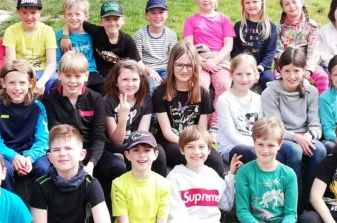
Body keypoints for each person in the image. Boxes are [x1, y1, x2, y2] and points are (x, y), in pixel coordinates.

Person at [42, 50, 123, 205]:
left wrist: (91, 163)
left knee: (117, 166)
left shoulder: (95, 98)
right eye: (68, 75)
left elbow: (99, 137)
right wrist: (76, 163)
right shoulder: (50, 100)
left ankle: (105, 211)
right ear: (59, 75)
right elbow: (56, 136)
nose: (73, 81)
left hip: (91, 151)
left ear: (86, 76)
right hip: (65, 152)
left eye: (78, 76)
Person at [261, 47, 326, 209]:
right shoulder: (270, 93)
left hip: (306, 135)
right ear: (279, 70)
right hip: (281, 137)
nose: (291, 76)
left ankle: (312, 198)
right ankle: (293, 201)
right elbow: (275, 127)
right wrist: (296, 138)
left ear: (304, 70)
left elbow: (316, 125)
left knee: (320, 150)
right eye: (287, 71)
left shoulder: (311, 91)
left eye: (296, 71)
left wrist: (309, 136)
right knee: (295, 151)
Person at [152, 41, 224, 175]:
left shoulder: (202, 93)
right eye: (179, 65)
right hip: (171, 142)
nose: (184, 70)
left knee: (216, 163)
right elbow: (167, 131)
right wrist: (189, 146)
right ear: (171, 65)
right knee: (191, 160)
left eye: (189, 65)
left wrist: (198, 146)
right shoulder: (160, 93)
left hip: (196, 140)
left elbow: (202, 128)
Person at [0, 59, 50, 200]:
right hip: (5, 154)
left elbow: (42, 140)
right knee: (3, 170)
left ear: (30, 83)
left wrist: (29, 157)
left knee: (44, 168)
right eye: (11, 83)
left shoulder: (37, 108)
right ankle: (9, 206)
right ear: (3, 83)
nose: (17, 88)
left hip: (31, 153)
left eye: (22, 83)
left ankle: (42, 208)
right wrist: (14, 157)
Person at [183, 0, 235, 123]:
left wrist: (214, 61)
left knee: (224, 84)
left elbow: (228, 45)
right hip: (200, 61)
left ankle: (217, 121)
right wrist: (202, 61)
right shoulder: (191, 21)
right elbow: (189, 45)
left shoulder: (224, 19)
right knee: (201, 85)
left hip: (219, 60)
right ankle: (202, 120)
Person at [103, 59, 166, 175]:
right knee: (128, 153)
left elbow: (142, 134)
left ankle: (157, 186)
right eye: (125, 79)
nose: (130, 84)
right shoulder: (108, 102)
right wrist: (122, 117)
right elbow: (116, 141)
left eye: (135, 79)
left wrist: (141, 150)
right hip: (116, 146)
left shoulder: (145, 100)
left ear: (141, 81)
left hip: (137, 142)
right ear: (116, 82)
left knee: (159, 152)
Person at [277, 0, 328, 93]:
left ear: (301, 2)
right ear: (283, 8)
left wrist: (308, 69)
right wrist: (287, 69)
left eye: (294, 2)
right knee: (277, 80)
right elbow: (278, 51)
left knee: (322, 78)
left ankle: (319, 108)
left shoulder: (311, 26)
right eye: (287, 4)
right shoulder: (278, 28)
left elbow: (314, 49)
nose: (291, 6)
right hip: (285, 66)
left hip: (307, 65)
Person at [215, 53, 263, 164]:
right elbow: (230, 133)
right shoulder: (225, 100)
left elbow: (260, 128)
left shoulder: (258, 99)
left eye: (249, 74)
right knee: (253, 153)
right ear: (231, 74)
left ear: (255, 74)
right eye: (239, 74)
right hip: (231, 147)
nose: (244, 79)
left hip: (256, 144)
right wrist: (257, 146)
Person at [3, 0, 57, 90]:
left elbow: (52, 63)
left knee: (58, 86)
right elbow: (11, 62)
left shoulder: (47, 30)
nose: (29, 17)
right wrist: (23, 81)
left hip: (43, 71)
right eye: (24, 12)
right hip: (20, 71)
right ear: (18, 12)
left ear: (40, 12)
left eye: (33, 12)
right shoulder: (11, 31)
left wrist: (42, 82)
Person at [232, 0, 278, 89]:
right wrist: (245, 69)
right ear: (243, 4)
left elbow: (270, 52)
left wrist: (259, 68)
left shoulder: (270, 27)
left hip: (261, 68)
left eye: (255, 2)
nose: (251, 5)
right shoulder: (239, 26)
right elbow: (234, 50)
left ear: (262, 2)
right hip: (241, 67)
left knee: (269, 80)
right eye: (247, 2)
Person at [55, 0, 100, 92]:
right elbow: (57, 58)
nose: (73, 18)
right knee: (57, 87)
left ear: (86, 16)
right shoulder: (60, 35)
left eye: (77, 14)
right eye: (69, 14)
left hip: (90, 71)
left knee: (104, 88)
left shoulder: (92, 34)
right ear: (64, 16)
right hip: (68, 72)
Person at [134, 0, 178, 89]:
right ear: (147, 15)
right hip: (147, 69)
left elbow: (173, 58)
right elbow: (138, 61)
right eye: (153, 13)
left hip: (166, 68)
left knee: (172, 86)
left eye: (161, 12)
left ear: (167, 14)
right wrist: (149, 71)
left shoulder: (171, 35)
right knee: (153, 86)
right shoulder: (140, 35)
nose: (157, 16)